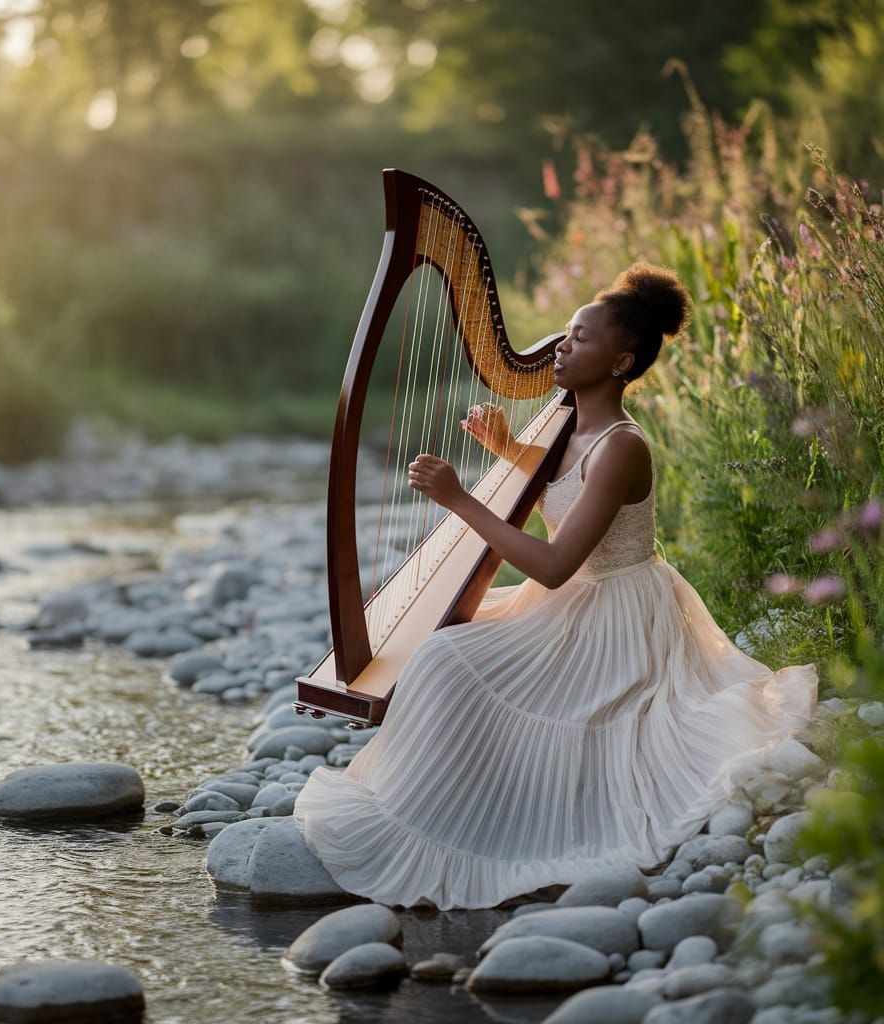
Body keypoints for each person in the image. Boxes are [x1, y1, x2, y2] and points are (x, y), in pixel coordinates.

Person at [292, 260, 819, 911]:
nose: (563, 346)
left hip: (615, 616)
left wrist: (459, 498)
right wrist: (509, 449)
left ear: (622, 363)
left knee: (441, 658)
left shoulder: (623, 445)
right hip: (574, 605)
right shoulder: (572, 430)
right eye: (566, 333)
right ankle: (461, 795)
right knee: (448, 643)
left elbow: (552, 564)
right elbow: (559, 490)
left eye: (583, 338)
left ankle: (460, 820)